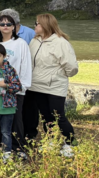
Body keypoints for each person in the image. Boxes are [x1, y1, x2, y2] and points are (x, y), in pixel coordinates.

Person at [24, 13, 79, 157]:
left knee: (58, 116)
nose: (35, 25)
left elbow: (72, 67)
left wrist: (57, 76)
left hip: (54, 87)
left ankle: (70, 143)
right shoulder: (35, 41)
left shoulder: (61, 43)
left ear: (45, 25)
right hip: (36, 86)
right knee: (46, 116)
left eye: (37, 23)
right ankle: (51, 140)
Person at [0, 14, 33, 157]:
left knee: (16, 119)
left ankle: (18, 148)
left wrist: (23, 86)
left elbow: (26, 65)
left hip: (14, 88)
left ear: (14, 27)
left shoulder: (20, 43)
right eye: (2, 24)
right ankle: (3, 146)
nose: (5, 26)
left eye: (8, 24)